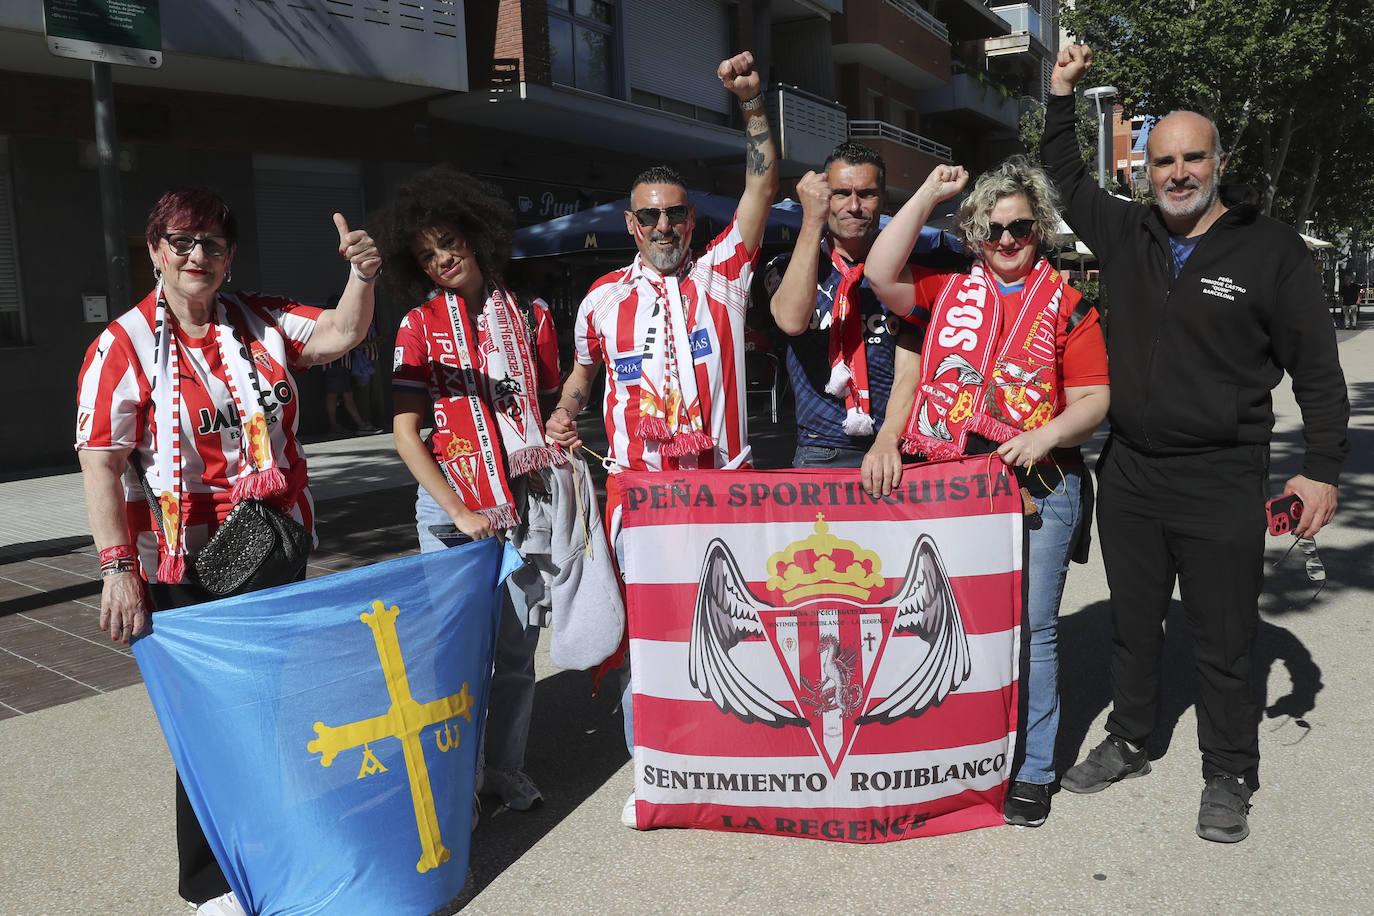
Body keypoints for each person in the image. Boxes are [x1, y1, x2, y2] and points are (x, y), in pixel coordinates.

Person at [1044, 45, 1350, 843]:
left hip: (1223, 475)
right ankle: (1135, 738)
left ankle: (1229, 771)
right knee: (1133, 623)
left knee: (1223, 635)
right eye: (1163, 161)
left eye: (1192, 158)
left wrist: (1321, 471)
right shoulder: (1125, 229)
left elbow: (1317, 369)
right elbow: (1067, 180)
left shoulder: (1270, 249)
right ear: (1143, 170)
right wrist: (1059, 95)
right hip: (1133, 471)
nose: (1178, 173)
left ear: (1219, 161)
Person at [75, 186, 378, 915]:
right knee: (212, 721)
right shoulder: (121, 347)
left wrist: (362, 277)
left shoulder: (261, 321)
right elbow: (102, 465)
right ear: (154, 251)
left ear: (230, 255)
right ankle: (206, 880)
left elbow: (339, 334)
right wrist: (117, 570)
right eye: (180, 241)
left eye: (211, 243)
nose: (196, 256)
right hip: (186, 566)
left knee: (273, 709)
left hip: (272, 554)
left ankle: (270, 842)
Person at [544, 51, 779, 826]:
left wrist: (751, 110)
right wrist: (565, 407)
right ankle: (654, 763)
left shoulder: (725, 276)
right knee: (645, 635)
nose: (666, 227)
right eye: (651, 216)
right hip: (639, 499)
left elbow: (760, 183)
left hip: (724, 489)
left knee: (734, 617)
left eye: (677, 214)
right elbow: (584, 375)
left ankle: (732, 742)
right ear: (631, 225)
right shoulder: (600, 299)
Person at [865, 159, 1110, 828]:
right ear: (974, 233)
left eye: (1021, 227)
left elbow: (1094, 398)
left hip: (1039, 485)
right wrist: (926, 193)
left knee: (1032, 631)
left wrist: (1045, 434)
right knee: (947, 623)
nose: (1007, 240)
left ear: (1041, 231)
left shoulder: (1068, 305)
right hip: (948, 484)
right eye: (993, 229)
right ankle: (962, 757)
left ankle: (1031, 769)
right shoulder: (944, 290)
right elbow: (880, 273)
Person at [375, 165, 563, 814]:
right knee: (456, 657)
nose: (440, 260)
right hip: (449, 513)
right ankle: (455, 781)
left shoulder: (531, 317)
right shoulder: (417, 329)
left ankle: (502, 773)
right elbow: (405, 435)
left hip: (520, 506)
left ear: (476, 237)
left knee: (515, 653)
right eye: (426, 254)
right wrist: (460, 508)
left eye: (448, 243)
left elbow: (539, 409)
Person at [763, 140, 927, 481]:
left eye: (866, 194)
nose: (854, 206)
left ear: (885, 201)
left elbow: (911, 372)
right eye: (841, 193)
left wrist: (888, 441)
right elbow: (792, 321)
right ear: (826, 199)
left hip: (898, 447)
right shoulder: (785, 265)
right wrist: (811, 220)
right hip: (821, 451)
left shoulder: (910, 274)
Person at [320, 298, 382, 436]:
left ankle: (341, 425)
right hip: (336, 363)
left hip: (336, 364)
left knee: (338, 396)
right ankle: (358, 425)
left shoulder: (326, 324)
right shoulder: (333, 324)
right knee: (342, 396)